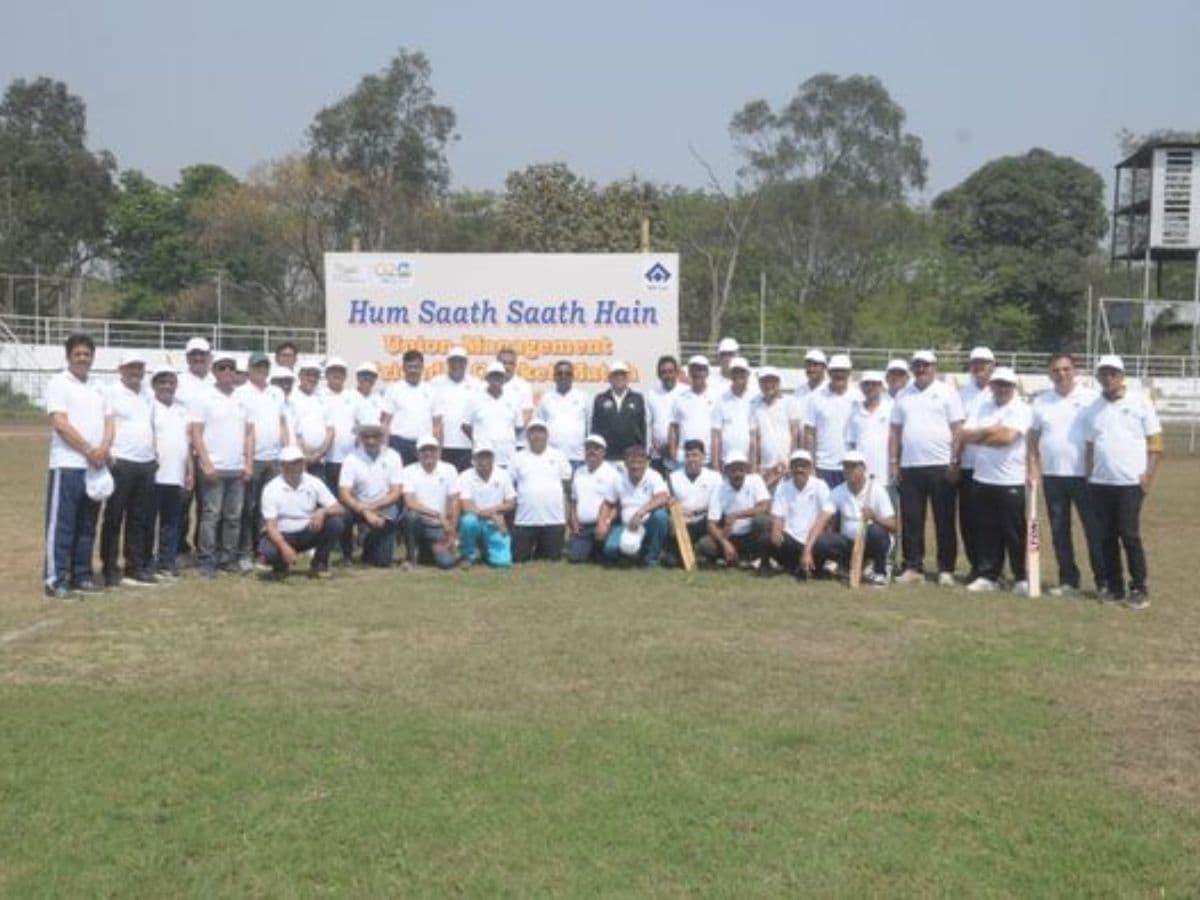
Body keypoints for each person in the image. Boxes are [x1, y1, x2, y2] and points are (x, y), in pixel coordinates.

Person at [1083, 354, 1163, 608]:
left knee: (1128, 535)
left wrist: (1148, 476)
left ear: (1122, 375)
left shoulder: (1140, 401)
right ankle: (1114, 587)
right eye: (1104, 374)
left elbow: (1156, 443)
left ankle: (1139, 587)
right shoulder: (1093, 407)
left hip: (1130, 483)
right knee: (1105, 536)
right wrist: (1088, 475)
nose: (1108, 378)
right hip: (1100, 483)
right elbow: (1089, 445)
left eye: (1113, 373)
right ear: (1098, 377)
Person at [43, 333, 111, 599]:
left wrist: (103, 449)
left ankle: (81, 574)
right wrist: (87, 449)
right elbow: (60, 423)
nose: (83, 358)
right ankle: (56, 578)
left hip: (95, 466)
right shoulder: (59, 383)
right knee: (63, 524)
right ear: (69, 356)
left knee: (87, 524)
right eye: (78, 354)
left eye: (87, 354)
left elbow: (109, 422)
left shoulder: (98, 386)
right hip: (68, 464)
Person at [1028, 353, 1101, 597]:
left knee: (1094, 531)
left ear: (1075, 370)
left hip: (1085, 477)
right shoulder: (1041, 402)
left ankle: (1104, 582)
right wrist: (1033, 467)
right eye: (1056, 370)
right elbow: (1033, 438)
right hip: (1053, 477)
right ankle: (1069, 580)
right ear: (1050, 373)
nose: (1062, 374)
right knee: (1060, 531)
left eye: (1066, 369)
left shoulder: (1091, 399)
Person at [889, 350, 965, 587]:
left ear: (935, 367)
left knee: (944, 520)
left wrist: (955, 462)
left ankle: (946, 568)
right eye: (917, 366)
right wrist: (894, 462)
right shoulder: (904, 394)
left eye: (925, 365)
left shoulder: (948, 393)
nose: (921, 369)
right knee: (912, 520)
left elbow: (958, 430)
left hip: (941, 465)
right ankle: (913, 566)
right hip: (910, 466)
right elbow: (895, 432)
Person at [959, 367, 1033, 594]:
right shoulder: (982, 406)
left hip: (1010, 479)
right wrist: (992, 430)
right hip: (983, 478)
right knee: (986, 530)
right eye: (998, 384)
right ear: (992, 386)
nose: (1002, 389)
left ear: (1013, 387)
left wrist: (980, 436)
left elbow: (1008, 439)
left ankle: (1021, 577)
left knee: (1014, 532)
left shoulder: (1022, 408)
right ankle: (989, 575)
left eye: (1007, 385)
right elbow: (963, 435)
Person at [190, 350, 253, 578]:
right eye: (221, 368)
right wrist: (205, 462)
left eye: (231, 368)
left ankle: (228, 558)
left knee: (234, 517)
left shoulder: (242, 399)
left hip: (236, 467)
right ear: (214, 371)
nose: (227, 372)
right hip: (214, 467)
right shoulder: (204, 397)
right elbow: (196, 432)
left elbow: (248, 434)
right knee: (211, 516)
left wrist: (248, 463)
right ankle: (207, 559)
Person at [100, 352, 159, 587]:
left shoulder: (147, 394)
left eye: (139, 367)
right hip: (121, 461)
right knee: (114, 516)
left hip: (145, 462)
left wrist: (154, 455)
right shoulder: (110, 392)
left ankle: (134, 567)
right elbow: (105, 423)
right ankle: (109, 567)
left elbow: (151, 425)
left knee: (138, 517)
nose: (136, 371)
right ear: (120, 369)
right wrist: (108, 452)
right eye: (131, 367)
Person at [807, 451, 896, 586]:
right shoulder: (838, 491)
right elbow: (821, 521)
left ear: (863, 469)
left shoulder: (878, 490)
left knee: (876, 531)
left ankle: (880, 572)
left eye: (853, 467)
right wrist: (807, 550)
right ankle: (846, 566)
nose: (848, 471)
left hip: (872, 542)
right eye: (846, 467)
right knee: (821, 541)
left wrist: (874, 517)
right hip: (849, 543)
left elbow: (893, 525)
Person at [235, 351, 289, 572]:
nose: (262, 370)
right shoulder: (240, 393)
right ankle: (245, 552)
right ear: (249, 369)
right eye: (257, 367)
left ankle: (264, 552)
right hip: (252, 459)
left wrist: (288, 450)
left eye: (265, 367)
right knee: (247, 508)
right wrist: (245, 460)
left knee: (269, 510)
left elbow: (283, 423)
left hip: (275, 459)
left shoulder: (276, 392)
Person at [257, 445, 346, 579]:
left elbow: (339, 508)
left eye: (298, 462)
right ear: (282, 465)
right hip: (283, 533)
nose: (294, 467)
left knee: (336, 523)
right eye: (289, 463)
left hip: (307, 531)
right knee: (269, 551)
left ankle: (319, 563)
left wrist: (323, 511)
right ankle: (280, 566)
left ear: (303, 463)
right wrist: (283, 546)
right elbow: (270, 525)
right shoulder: (271, 488)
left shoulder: (314, 482)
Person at [337, 421, 404, 567]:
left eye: (375, 436)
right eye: (366, 436)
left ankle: (367, 545)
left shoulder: (393, 456)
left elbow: (396, 492)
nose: (371, 441)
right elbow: (344, 493)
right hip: (357, 506)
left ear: (382, 436)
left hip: (384, 505)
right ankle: (347, 555)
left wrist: (372, 507)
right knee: (342, 514)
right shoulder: (351, 458)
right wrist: (365, 510)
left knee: (382, 562)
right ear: (360, 437)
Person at [847, 370, 896, 574]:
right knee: (861, 519)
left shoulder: (892, 407)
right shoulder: (856, 411)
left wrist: (895, 464)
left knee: (886, 520)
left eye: (874, 384)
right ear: (862, 387)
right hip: (861, 477)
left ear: (881, 386)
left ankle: (888, 562)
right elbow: (851, 443)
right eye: (866, 384)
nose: (870, 388)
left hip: (885, 475)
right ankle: (866, 560)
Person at [149, 366, 193, 580]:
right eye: (162, 382)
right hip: (154, 474)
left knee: (172, 522)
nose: (167, 386)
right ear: (154, 385)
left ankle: (167, 561)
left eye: (170, 382)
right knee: (148, 521)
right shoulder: (149, 407)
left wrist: (190, 472)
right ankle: (146, 562)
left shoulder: (182, 409)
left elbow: (187, 444)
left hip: (176, 474)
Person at [957, 346, 995, 583]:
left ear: (992, 365)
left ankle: (992, 567)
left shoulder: (1001, 390)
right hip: (968, 465)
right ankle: (976, 566)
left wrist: (974, 434)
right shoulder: (962, 393)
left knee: (991, 521)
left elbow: (1001, 432)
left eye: (984, 363)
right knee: (969, 520)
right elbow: (959, 432)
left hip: (993, 467)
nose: (979, 367)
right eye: (975, 363)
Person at [697, 451, 771, 568]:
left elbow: (764, 506)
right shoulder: (719, 489)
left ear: (746, 470)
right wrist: (725, 543)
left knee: (762, 521)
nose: (738, 474)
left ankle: (763, 560)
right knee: (705, 544)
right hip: (731, 535)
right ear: (726, 471)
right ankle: (736, 557)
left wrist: (737, 515)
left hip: (751, 534)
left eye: (741, 470)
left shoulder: (756, 480)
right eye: (733, 470)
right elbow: (711, 524)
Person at [174, 336, 214, 558]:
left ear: (209, 356)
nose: (198, 358)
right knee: (183, 502)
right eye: (194, 354)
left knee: (207, 504)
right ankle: (179, 546)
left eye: (202, 354)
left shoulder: (215, 381)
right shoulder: (178, 382)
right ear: (187, 357)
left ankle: (203, 546)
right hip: (185, 450)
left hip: (210, 452)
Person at [511, 421, 572, 562]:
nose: (537, 435)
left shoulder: (559, 456)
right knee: (518, 558)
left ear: (547, 435)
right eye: (533, 432)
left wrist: (567, 519)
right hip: (525, 521)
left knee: (553, 558)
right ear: (527, 435)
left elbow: (567, 486)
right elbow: (510, 487)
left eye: (541, 431)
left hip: (554, 521)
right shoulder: (517, 458)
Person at [602, 444, 669, 566]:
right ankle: (636, 554)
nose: (635, 466)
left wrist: (640, 512)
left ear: (646, 463)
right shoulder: (618, 479)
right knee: (610, 550)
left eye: (640, 462)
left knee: (661, 516)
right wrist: (603, 522)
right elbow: (608, 503)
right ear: (625, 463)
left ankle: (652, 558)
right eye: (632, 462)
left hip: (648, 524)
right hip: (626, 524)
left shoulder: (654, 476)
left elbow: (663, 497)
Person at [767, 449, 830, 578]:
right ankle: (797, 565)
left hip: (814, 539)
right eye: (796, 466)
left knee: (825, 544)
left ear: (810, 468)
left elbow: (827, 518)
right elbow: (778, 516)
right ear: (791, 468)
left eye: (803, 466)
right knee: (767, 538)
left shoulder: (820, 485)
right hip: (791, 539)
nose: (799, 469)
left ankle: (803, 565)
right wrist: (776, 531)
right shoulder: (783, 487)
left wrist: (810, 546)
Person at [320, 357, 359, 564]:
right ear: (326, 374)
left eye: (341, 371)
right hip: (326, 460)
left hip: (350, 461)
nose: (337, 374)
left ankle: (346, 552)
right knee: (328, 504)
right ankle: (325, 545)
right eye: (333, 371)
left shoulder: (353, 397)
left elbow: (363, 424)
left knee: (348, 506)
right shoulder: (319, 396)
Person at [400, 434, 460, 569]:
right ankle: (411, 558)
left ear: (438, 451)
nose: (428, 453)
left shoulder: (449, 469)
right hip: (419, 523)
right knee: (411, 516)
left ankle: (427, 551)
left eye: (432, 449)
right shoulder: (408, 471)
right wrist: (436, 514)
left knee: (447, 563)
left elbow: (455, 501)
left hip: (439, 527)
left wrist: (451, 530)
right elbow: (410, 502)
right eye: (423, 450)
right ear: (417, 453)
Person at [457, 443, 516, 569]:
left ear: (493, 458)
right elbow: (466, 506)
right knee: (468, 521)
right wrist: (493, 515)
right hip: (477, 520)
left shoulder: (503, 474)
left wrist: (493, 513)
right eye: (480, 457)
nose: (484, 461)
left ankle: (486, 551)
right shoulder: (465, 476)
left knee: (503, 564)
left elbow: (511, 502)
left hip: (495, 523)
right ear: (474, 459)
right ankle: (468, 555)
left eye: (487, 456)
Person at [666, 439, 722, 567]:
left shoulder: (715, 477)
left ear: (703, 457)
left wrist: (699, 512)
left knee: (706, 546)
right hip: (681, 523)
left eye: (695, 455)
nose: (691, 459)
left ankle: (701, 552)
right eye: (688, 456)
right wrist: (671, 507)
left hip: (704, 522)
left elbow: (715, 507)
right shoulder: (673, 477)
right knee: (672, 562)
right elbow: (665, 501)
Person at [803, 353, 856, 488]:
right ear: (829, 372)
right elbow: (809, 433)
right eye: (835, 371)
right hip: (823, 466)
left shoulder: (858, 397)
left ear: (849, 373)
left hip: (851, 465)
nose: (839, 375)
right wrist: (811, 465)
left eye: (843, 371)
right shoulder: (815, 398)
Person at [567, 434, 621, 563]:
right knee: (575, 558)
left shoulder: (612, 473)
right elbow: (574, 501)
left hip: (604, 525)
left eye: (596, 448)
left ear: (604, 452)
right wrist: (574, 521)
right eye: (588, 448)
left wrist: (606, 522)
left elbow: (618, 504)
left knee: (609, 555)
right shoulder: (579, 472)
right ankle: (590, 548)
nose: (592, 451)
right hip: (583, 527)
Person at [534, 359, 590, 470]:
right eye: (559, 373)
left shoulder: (583, 397)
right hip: (551, 457)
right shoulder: (546, 398)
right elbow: (540, 428)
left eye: (567, 373)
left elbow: (589, 427)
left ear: (573, 377)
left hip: (578, 457)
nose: (563, 376)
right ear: (554, 377)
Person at [464, 361, 521, 469]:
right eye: (493, 375)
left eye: (499, 376)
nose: (496, 379)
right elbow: (465, 425)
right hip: (482, 457)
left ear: (504, 379)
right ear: (487, 378)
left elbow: (518, 427)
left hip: (507, 459)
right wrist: (478, 439)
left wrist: (504, 438)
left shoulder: (514, 399)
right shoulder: (474, 399)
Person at [431, 346, 479, 472]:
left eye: (461, 361)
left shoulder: (477, 385)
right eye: (453, 361)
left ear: (466, 363)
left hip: (468, 445)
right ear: (448, 363)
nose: (457, 364)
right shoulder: (435, 383)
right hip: (442, 446)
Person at [590, 359, 647, 462]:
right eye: (616, 374)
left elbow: (643, 428)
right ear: (610, 378)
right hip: (606, 457)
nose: (619, 377)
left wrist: (643, 452)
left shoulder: (637, 398)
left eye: (623, 374)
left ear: (628, 378)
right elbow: (595, 429)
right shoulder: (601, 399)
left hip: (631, 458)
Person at [382, 349, 432, 465]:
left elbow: (437, 425)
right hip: (399, 444)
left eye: (416, 366)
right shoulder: (393, 389)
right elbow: (385, 422)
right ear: (403, 368)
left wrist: (438, 452)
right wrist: (384, 451)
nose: (413, 370)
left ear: (422, 367)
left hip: (424, 445)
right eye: (410, 366)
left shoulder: (431, 390)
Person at [668, 356, 717, 469]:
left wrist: (716, 460)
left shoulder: (717, 397)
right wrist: (673, 453)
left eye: (701, 369)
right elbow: (673, 427)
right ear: (689, 372)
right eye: (694, 369)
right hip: (683, 459)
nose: (697, 373)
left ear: (707, 372)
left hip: (708, 460)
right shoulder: (680, 398)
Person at [750, 367, 792, 490]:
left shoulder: (789, 402)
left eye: (772, 381)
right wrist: (754, 467)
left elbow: (795, 435)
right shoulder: (754, 406)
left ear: (778, 383)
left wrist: (792, 462)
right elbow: (754, 439)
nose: (769, 385)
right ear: (760, 384)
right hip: (765, 466)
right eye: (765, 382)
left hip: (787, 465)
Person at [647, 354, 685, 476]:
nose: (667, 375)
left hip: (681, 456)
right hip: (658, 455)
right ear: (659, 374)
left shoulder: (685, 392)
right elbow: (648, 423)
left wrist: (674, 446)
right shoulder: (651, 394)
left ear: (677, 372)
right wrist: (654, 444)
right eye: (663, 372)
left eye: (670, 371)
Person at [713, 356, 755, 469]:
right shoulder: (721, 400)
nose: (738, 375)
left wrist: (753, 464)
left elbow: (754, 435)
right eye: (735, 372)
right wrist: (716, 465)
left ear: (748, 374)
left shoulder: (755, 399)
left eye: (742, 372)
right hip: (726, 461)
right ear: (731, 375)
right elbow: (716, 435)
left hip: (747, 462)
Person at [292, 361, 332, 475]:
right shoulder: (292, 397)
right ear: (300, 375)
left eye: (315, 375)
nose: (312, 378)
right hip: (297, 459)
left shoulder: (323, 398)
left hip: (319, 460)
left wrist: (319, 453)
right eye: (308, 374)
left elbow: (330, 430)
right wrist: (304, 453)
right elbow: (293, 430)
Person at [498, 346, 535, 449]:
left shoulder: (524, 386)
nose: (507, 366)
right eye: (503, 362)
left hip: (517, 444)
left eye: (510, 363)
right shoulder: (486, 386)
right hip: (493, 444)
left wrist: (508, 434)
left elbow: (527, 415)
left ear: (515, 365)